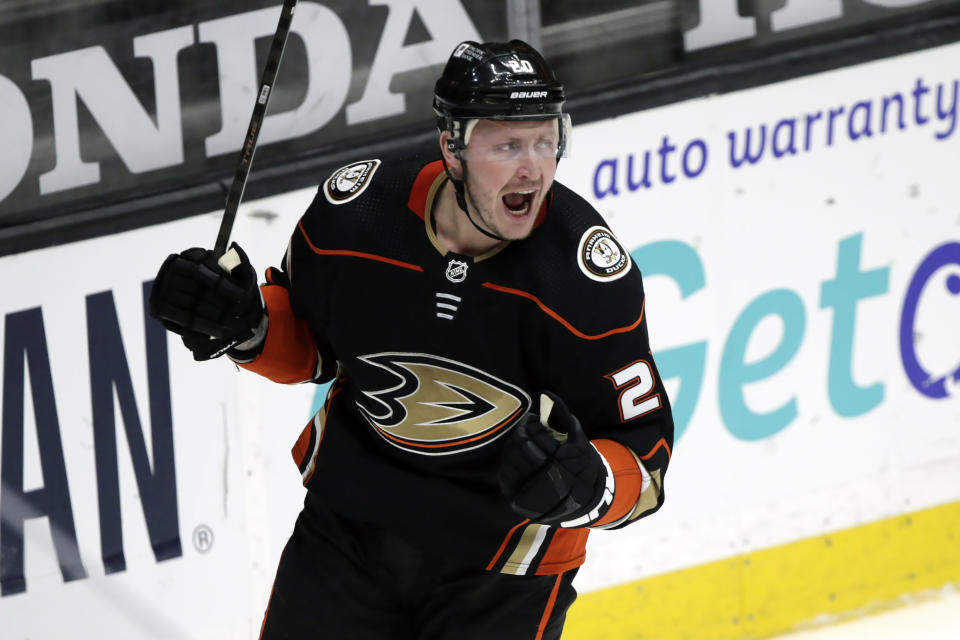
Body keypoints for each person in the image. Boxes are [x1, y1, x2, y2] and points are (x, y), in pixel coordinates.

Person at [149, 39, 674, 640]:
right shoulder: (357, 217)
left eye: (545, 140)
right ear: (452, 145)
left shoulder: (582, 280)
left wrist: (591, 486)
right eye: (507, 145)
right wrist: (247, 326)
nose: (533, 167)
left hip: (503, 567)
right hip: (349, 530)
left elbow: (645, 461)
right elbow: (317, 351)